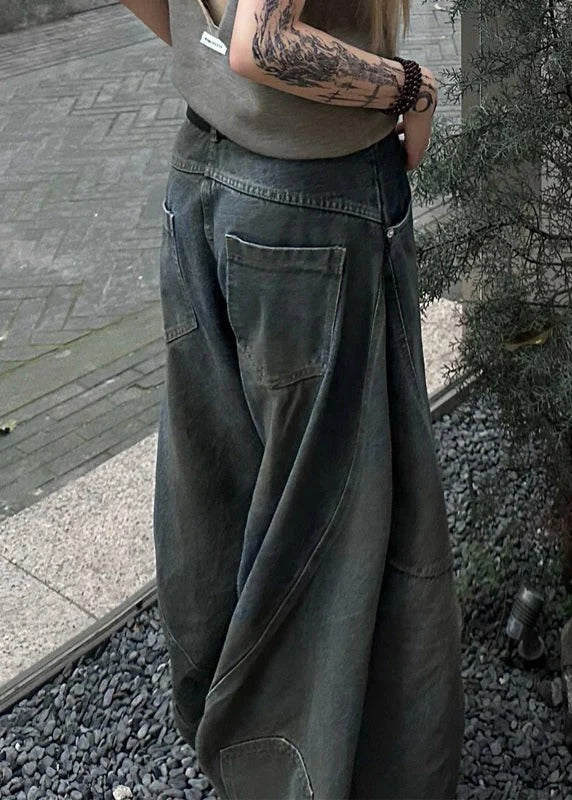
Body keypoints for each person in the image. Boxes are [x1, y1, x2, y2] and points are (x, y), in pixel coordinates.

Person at [119, 1, 465, 798]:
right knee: (336, 524)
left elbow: (228, 44)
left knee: (220, 491)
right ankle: (302, 773)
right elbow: (265, 44)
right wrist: (412, 87)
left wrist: (203, 53)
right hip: (311, 203)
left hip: (204, 182)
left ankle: (242, 748)